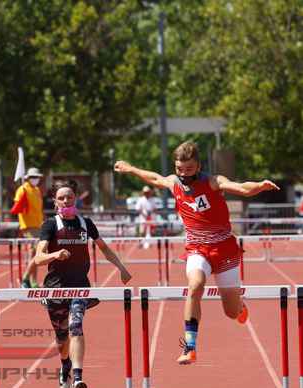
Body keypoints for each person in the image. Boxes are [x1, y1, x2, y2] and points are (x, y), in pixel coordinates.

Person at [114, 141, 280, 364]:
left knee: (231, 313)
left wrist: (259, 186)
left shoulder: (212, 182)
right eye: (179, 169)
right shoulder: (174, 182)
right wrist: (130, 169)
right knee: (195, 286)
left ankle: (239, 306)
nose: (184, 174)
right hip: (197, 248)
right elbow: (154, 178)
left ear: (199, 166)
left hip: (224, 249)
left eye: (189, 169)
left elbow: (240, 188)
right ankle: (190, 347)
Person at [34, 181, 132, 388]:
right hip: (55, 288)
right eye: (61, 198)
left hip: (80, 287)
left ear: (75, 198)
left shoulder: (85, 223)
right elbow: (38, 258)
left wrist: (121, 268)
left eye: (69, 197)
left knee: (75, 327)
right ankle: (65, 365)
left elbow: (104, 248)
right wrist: (55, 254)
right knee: (62, 337)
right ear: (55, 202)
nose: (66, 201)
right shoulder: (50, 225)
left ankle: (78, 377)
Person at [12, 167, 44, 288]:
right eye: (33, 177)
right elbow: (17, 206)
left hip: (38, 225)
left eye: (37, 177)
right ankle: (26, 279)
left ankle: (32, 281)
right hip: (28, 226)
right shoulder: (22, 189)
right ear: (28, 178)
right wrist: (22, 201)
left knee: (36, 253)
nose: (35, 179)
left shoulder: (37, 190)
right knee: (34, 251)